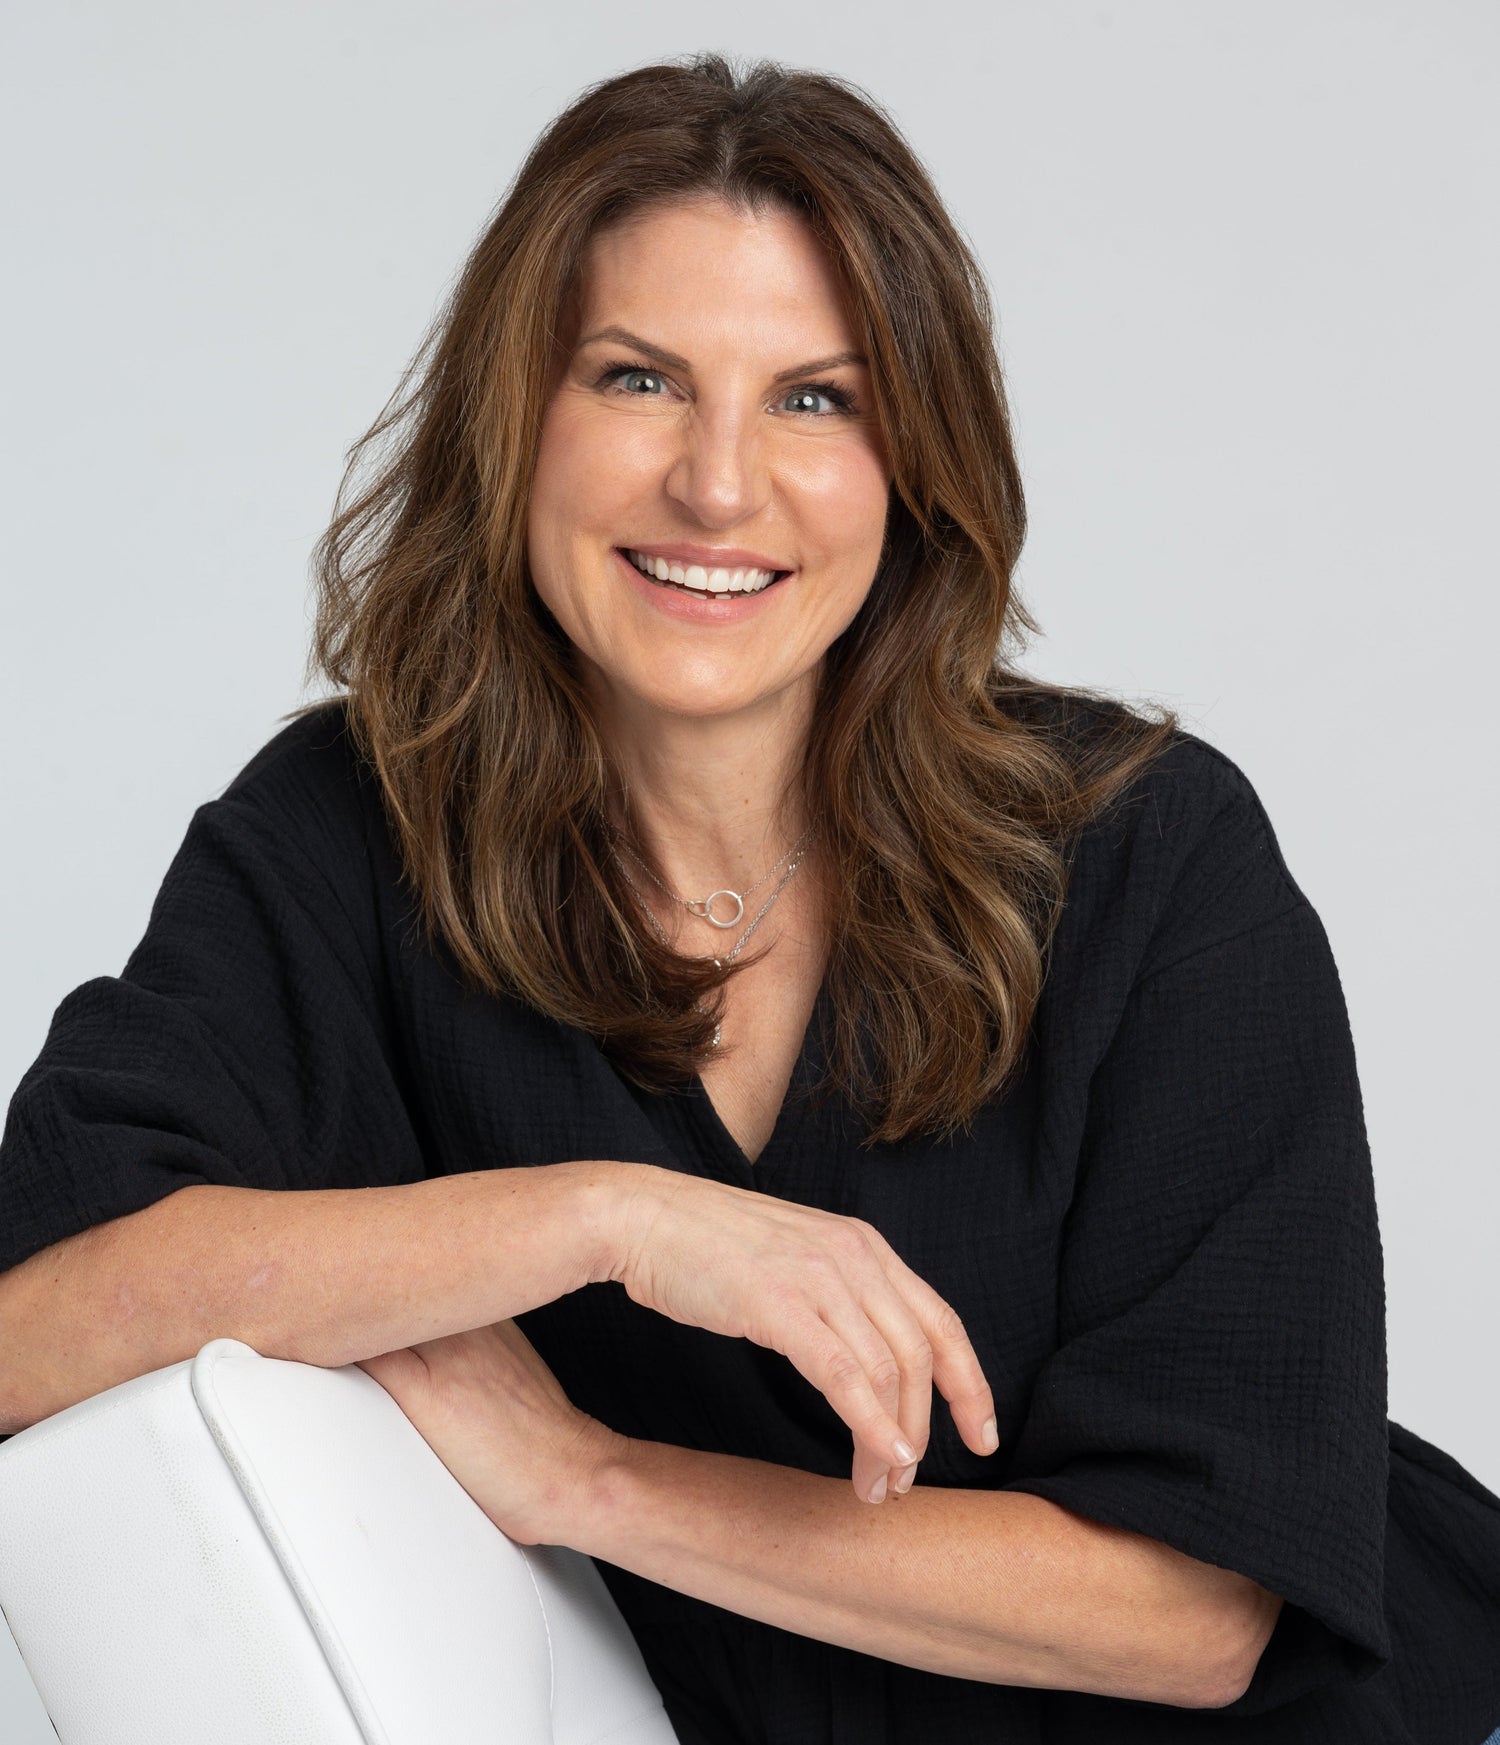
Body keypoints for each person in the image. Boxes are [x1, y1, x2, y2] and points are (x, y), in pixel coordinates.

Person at [0, 50, 1496, 1745]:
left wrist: (594, 1479)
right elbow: (35, 1323)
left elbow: (1196, 1612)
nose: (718, 486)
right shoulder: (348, 841)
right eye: (638, 379)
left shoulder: (1150, 855)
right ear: (517, 422)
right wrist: (612, 1223)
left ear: (913, 465)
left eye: (814, 398)